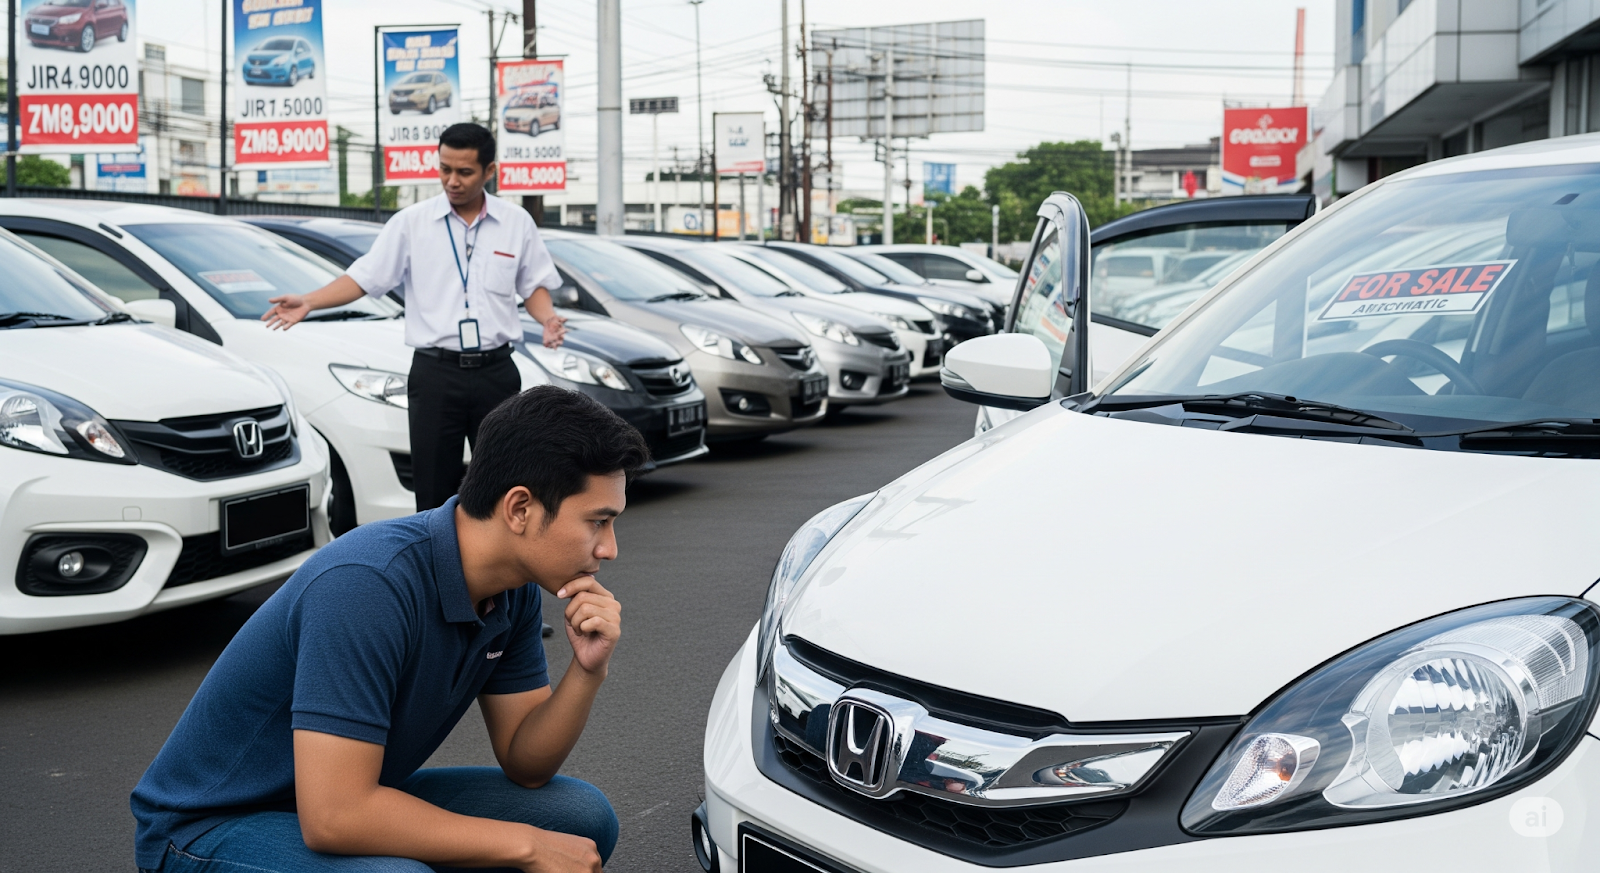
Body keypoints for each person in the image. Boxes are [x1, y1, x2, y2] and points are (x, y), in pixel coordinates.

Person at [131, 386, 651, 873]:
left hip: (349, 791)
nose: (609, 548)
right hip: (209, 826)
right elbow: (334, 816)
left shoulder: (512, 590)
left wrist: (587, 671)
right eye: (596, 522)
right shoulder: (366, 584)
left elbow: (526, 764)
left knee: (582, 816)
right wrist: (527, 846)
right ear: (519, 508)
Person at [262, 122, 569, 512]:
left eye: (464, 172)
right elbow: (365, 278)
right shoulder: (412, 223)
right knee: (433, 489)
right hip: (436, 375)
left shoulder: (516, 223)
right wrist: (309, 301)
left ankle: (500, 571)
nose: (451, 181)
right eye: (444, 169)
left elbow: (534, 285)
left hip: (497, 373)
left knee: (504, 483)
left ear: (490, 172)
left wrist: (547, 319)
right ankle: (436, 568)